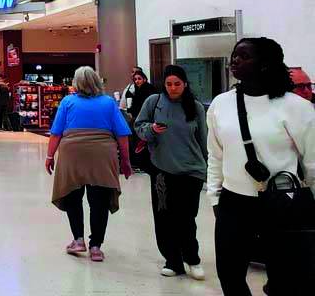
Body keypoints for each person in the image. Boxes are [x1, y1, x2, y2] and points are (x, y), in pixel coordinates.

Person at [207, 38, 315, 295]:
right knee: (229, 273)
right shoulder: (221, 104)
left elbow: (312, 162)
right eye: (235, 55)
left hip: (281, 203)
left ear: (266, 64)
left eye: (244, 56)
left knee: (284, 278)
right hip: (234, 202)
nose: (235, 60)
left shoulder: (296, 107)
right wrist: (214, 196)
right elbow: (215, 154)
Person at [46, 66, 133, 263]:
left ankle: (78, 240)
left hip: (72, 154)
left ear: (76, 83)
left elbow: (56, 133)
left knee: (73, 196)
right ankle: (96, 247)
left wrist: (50, 156)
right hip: (102, 155)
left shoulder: (68, 102)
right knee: (99, 202)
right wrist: (126, 161)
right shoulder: (109, 103)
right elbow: (122, 135)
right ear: (97, 81)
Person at [134, 65, 208, 279]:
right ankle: (173, 260)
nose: (173, 88)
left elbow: (203, 139)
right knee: (165, 217)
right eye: (169, 84)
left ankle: (192, 258)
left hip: (191, 171)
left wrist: (209, 168)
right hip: (162, 171)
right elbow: (139, 127)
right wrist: (151, 130)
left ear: (185, 84)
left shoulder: (195, 107)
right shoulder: (153, 102)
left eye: (177, 84)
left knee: (187, 217)